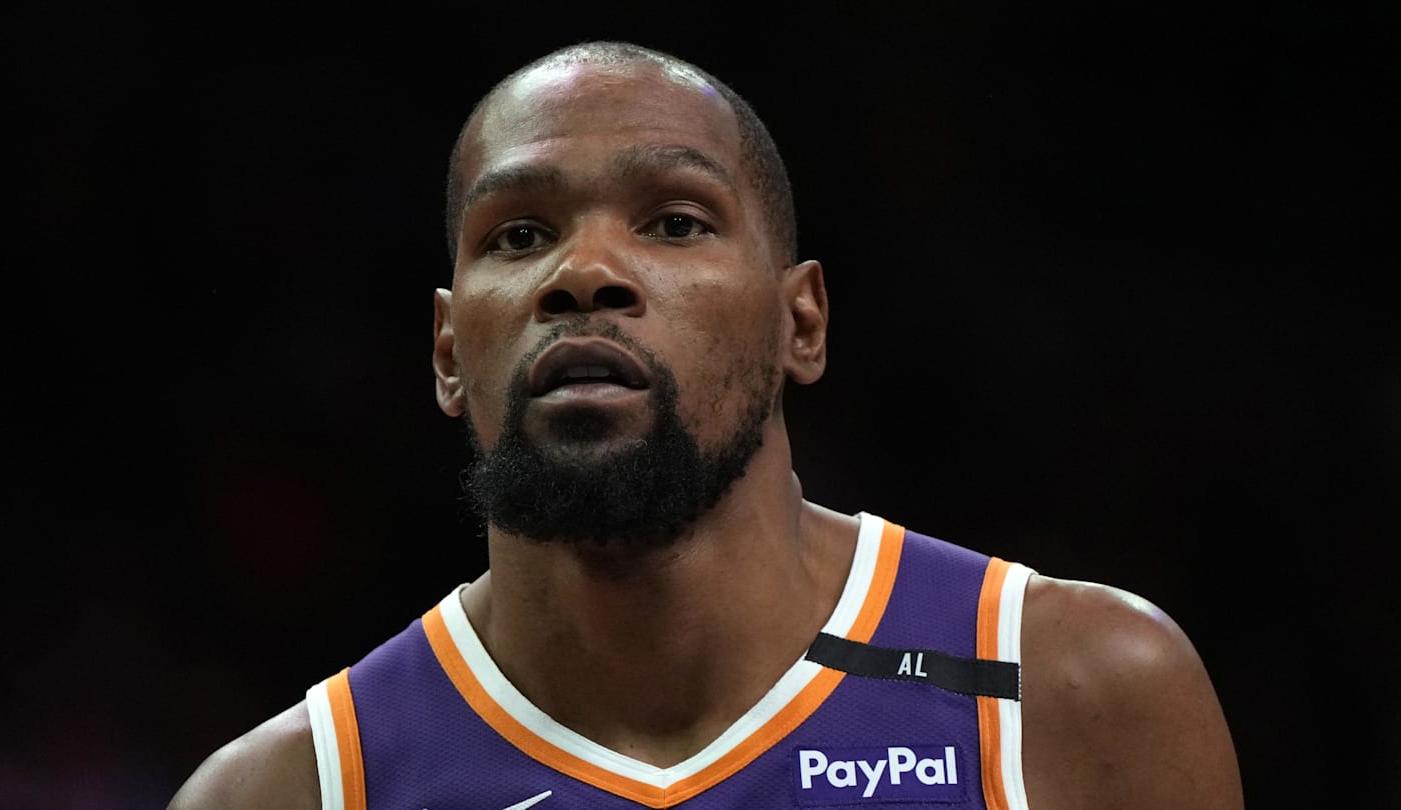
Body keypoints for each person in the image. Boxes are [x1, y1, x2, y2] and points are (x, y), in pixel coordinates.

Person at [167, 40, 1245, 809]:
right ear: (449, 353)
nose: (583, 273)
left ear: (801, 322)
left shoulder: (1076, 694)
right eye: (520, 233)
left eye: (675, 223)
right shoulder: (291, 790)